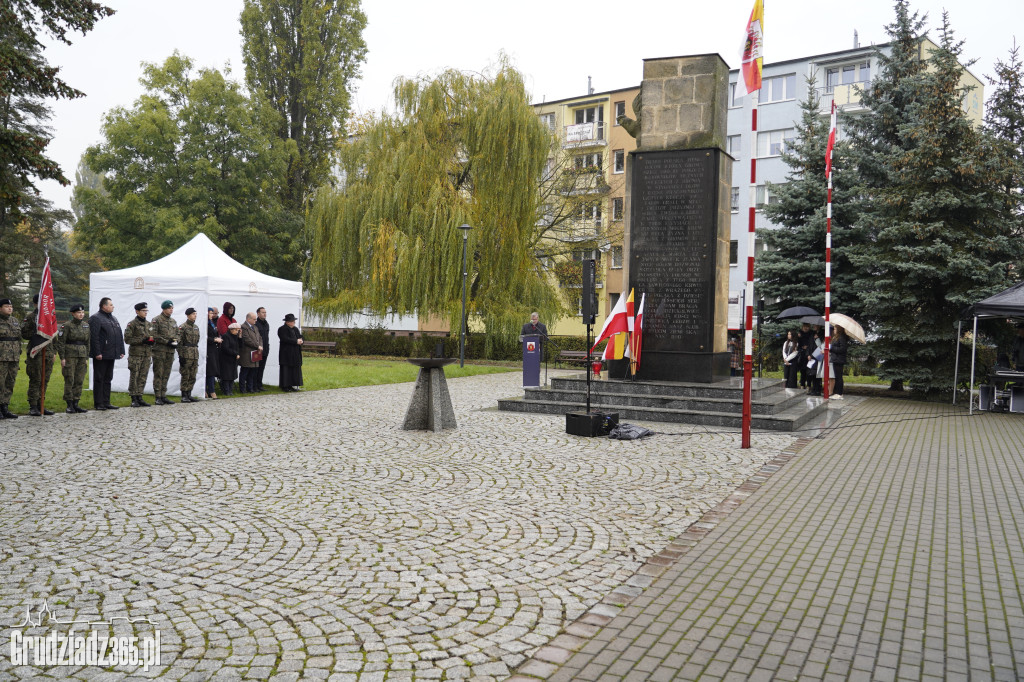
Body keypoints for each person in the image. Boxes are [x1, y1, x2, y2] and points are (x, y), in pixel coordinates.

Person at [21, 294, 56, 416]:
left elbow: (53, 335)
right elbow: (24, 334)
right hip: (36, 353)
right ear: (36, 304)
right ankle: (33, 406)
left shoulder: (49, 317)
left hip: (48, 353)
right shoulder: (31, 317)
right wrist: (38, 331)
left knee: (45, 380)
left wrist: (54, 352)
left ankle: (42, 404)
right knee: (36, 379)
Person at [89, 297, 125, 410]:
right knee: (99, 378)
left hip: (111, 353)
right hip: (101, 354)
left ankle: (106, 402)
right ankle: (99, 403)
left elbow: (119, 335)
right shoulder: (96, 318)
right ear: (104, 306)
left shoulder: (113, 318)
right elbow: (94, 337)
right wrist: (97, 352)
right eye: (111, 304)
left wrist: (121, 350)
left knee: (108, 378)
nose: (113, 306)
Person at [55, 303, 91, 413]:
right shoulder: (66, 325)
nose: (81, 314)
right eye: (79, 312)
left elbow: (88, 342)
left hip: (82, 355)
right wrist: (62, 357)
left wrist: (86, 357)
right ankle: (69, 404)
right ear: (73, 314)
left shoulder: (86, 325)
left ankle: (76, 402)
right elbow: (61, 342)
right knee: (69, 379)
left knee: (79, 380)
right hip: (70, 355)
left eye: (82, 312)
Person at [124, 302, 156, 407]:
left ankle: (140, 396)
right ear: (137, 311)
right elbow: (127, 339)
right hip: (136, 355)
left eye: (146, 311)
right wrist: (142, 340)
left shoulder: (149, 324)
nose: (145, 313)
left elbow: (152, 336)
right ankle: (133, 397)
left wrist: (151, 341)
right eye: (143, 311)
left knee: (143, 376)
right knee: (135, 375)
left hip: (147, 354)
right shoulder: (132, 324)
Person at [150, 300, 179, 405]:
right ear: (164, 309)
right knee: (159, 373)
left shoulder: (173, 321)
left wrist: (175, 341)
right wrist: (167, 341)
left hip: (170, 351)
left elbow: (177, 334)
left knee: (166, 373)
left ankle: (163, 395)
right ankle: (158, 396)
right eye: (169, 308)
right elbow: (153, 334)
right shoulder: (156, 320)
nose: (171, 310)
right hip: (159, 351)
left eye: (172, 308)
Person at [0, 298, 21, 419]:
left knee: (9, 382)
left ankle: (5, 407)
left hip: (13, 357)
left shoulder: (14, 321)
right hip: (1, 356)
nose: (10, 308)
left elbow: (18, 338)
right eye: (7, 306)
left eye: (11, 306)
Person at [177, 307, 201, 402]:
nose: (195, 315)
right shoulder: (183, 327)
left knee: (193, 375)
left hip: (194, 353)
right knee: (185, 375)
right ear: (188, 315)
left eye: (196, 314)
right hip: (186, 354)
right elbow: (179, 343)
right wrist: (181, 356)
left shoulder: (196, 327)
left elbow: (197, 340)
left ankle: (189, 393)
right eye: (193, 314)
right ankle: (184, 395)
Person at [278, 313, 304, 392]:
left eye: (294, 321)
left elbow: (300, 336)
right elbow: (285, 339)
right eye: (292, 321)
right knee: (286, 370)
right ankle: (285, 386)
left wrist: (301, 340)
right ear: (287, 322)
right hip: (286, 353)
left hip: (295, 353)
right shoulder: (282, 329)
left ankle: (292, 384)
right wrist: (296, 341)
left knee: (294, 370)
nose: (294, 323)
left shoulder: (295, 329)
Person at [238, 312, 263, 393]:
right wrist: (257, 346)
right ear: (248, 319)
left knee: (252, 372)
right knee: (245, 371)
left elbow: (259, 337)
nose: (256, 320)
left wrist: (260, 346)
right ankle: (242, 389)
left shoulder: (255, 327)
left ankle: (250, 388)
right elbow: (247, 339)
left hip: (255, 353)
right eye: (254, 319)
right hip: (247, 353)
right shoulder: (243, 327)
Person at [219, 322, 241, 396]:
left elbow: (240, 345)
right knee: (226, 376)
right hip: (226, 359)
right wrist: (235, 353)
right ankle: (226, 390)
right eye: (237, 330)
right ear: (232, 329)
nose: (237, 332)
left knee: (232, 375)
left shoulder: (235, 337)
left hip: (233, 359)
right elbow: (225, 348)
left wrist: (240, 336)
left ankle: (230, 390)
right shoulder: (226, 336)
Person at [206, 307, 222, 399]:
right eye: (211, 313)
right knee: (210, 371)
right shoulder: (205, 324)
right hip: (208, 348)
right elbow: (205, 337)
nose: (212, 315)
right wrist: (214, 339)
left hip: (214, 348)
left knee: (212, 370)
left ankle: (210, 390)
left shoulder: (211, 323)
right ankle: (211, 391)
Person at [830, 326, 849, 400]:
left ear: (838, 330)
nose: (833, 330)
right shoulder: (836, 337)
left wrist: (832, 348)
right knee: (836, 377)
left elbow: (842, 349)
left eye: (835, 329)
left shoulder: (841, 337)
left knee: (838, 377)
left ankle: (839, 393)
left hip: (839, 360)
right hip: (835, 359)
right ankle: (837, 392)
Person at [255, 307, 270, 391]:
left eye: (265, 312)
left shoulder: (266, 323)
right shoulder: (256, 324)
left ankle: (259, 384)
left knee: (261, 368)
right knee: (256, 368)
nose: (264, 314)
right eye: (262, 312)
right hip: (258, 349)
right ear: (258, 313)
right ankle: (255, 385)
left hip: (265, 349)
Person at [796, 322, 814, 390]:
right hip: (802, 355)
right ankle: (802, 384)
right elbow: (798, 345)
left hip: (809, 354)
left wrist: (808, 347)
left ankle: (809, 385)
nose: (805, 328)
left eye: (807, 327)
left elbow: (812, 343)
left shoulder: (811, 334)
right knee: (802, 371)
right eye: (804, 326)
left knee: (809, 370)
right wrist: (802, 347)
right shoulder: (800, 334)